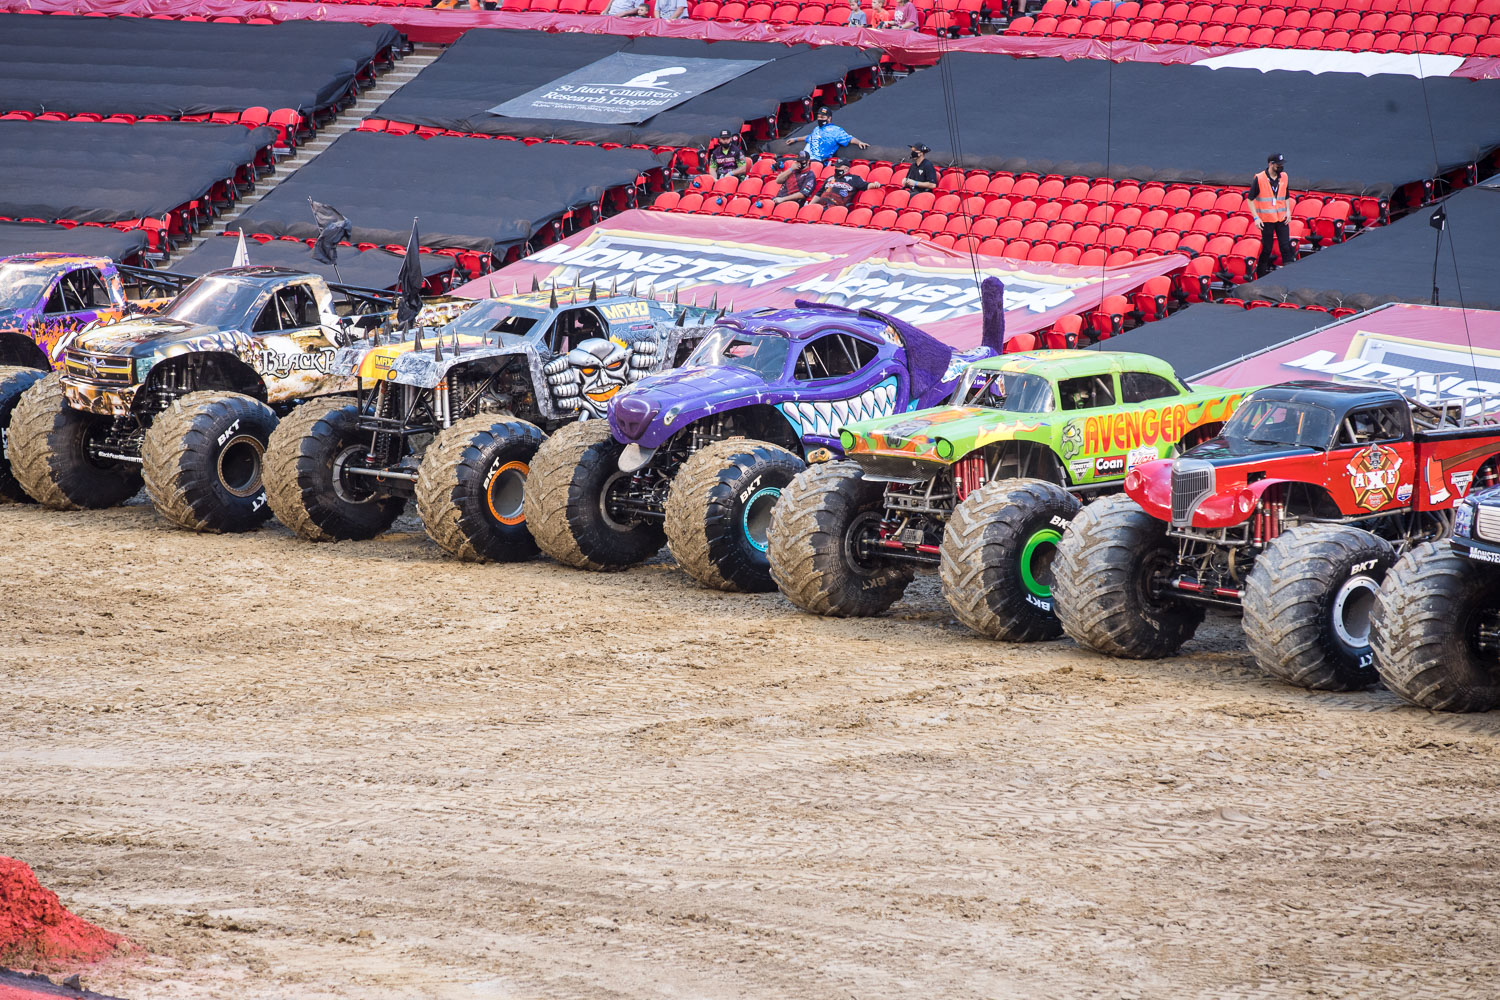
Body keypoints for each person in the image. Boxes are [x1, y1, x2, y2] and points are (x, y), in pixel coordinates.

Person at [1248, 152, 1296, 277]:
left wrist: (1288, 211)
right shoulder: (1260, 178)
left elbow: (1285, 194)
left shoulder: (1284, 176)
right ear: (1271, 164)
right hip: (1266, 219)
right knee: (1267, 249)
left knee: (1285, 246)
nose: (1281, 167)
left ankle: (1289, 275)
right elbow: (1250, 199)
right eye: (1278, 164)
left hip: (1281, 217)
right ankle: (1261, 276)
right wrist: (1256, 218)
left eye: (1281, 164)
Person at [784, 105, 870, 164]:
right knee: (783, 161)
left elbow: (849, 138)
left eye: (822, 117)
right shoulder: (817, 129)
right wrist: (795, 139)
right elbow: (809, 137)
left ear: (829, 118)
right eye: (818, 117)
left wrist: (859, 142)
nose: (820, 119)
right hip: (804, 159)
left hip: (818, 161)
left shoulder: (836, 130)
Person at [814, 159, 881, 208]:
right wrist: (809, 206)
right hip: (820, 205)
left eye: (838, 167)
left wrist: (875, 184)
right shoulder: (830, 178)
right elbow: (818, 194)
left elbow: (866, 185)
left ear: (846, 168)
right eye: (836, 167)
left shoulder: (854, 178)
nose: (836, 168)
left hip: (836, 208)